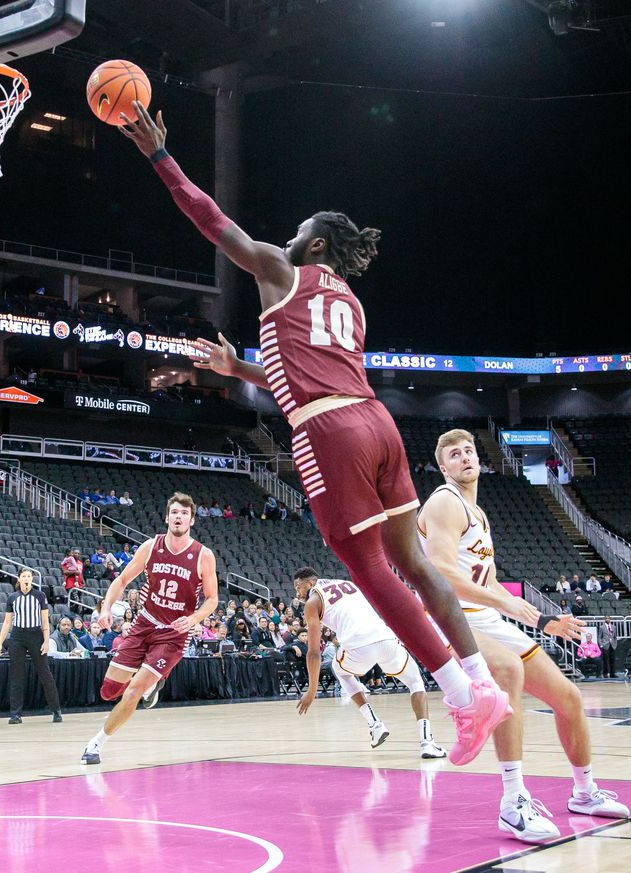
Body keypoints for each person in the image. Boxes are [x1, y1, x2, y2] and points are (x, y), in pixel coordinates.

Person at [128, 101, 507, 765]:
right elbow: (309, 375)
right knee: (413, 564)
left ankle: (457, 693)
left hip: (330, 433)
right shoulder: (352, 304)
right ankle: (479, 680)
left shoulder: (281, 268)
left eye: (299, 231)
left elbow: (211, 220)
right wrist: (238, 366)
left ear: (318, 244)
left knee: (367, 568)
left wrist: (160, 156)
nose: (289, 235)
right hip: (377, 421)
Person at [419, 429, 629, 840]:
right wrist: (504, 605)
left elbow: (492, 584)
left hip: (483, 616)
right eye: (454, 454)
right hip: (448, 617)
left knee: (568, 697)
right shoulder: (445, 501)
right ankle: (512, 804)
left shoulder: (477, 514)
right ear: (443, 466)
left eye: (469, 451)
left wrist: (542, 620)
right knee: (508, 672)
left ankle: (584, 793)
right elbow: (441, 574)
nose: (465, 457)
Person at [82, 493, 220, 764]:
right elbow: (122, 580)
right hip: (144, 623)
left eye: (183, 513)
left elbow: (212, 599)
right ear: (166, 517)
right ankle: (154, 683)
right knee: (109, 691)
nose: (178, 517)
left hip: (173, 632)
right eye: (174, 512)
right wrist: (106, 608)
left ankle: (96, 744)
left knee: (133, 691)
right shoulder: (150, 546)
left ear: (191, 520)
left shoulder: (203, 555)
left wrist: (194, 620)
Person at [293, 568, 446, 759]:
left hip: (358, 646)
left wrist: (312, 691)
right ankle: (427, 743)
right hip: (385, 639)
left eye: (298, 587)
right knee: (416, 682)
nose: (297, 593)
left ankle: (375, 725)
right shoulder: (346, 583)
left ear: (310, 583)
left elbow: (314, 653)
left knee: (338, 669)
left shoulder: (312, 602)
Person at [0, 569, 62, 724]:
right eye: (23, 576)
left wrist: (46, 641)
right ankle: (15, 714)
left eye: (29, 576)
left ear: (32, 579)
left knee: (45, 673)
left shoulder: (40, 595)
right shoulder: (12, 597)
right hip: (17, 636)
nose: (26, 579)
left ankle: (56, 710)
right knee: (17, 675)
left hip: (35, 635)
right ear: (19, 578)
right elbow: (7, 622)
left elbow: (45, 622)